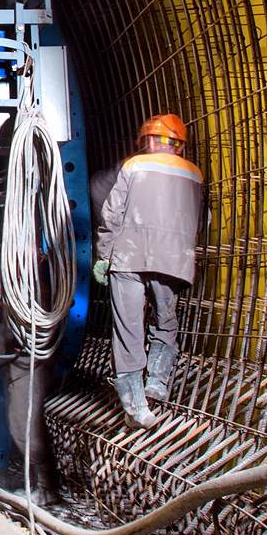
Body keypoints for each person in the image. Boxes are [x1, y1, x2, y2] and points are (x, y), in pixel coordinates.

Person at [94, 115, 203, 425]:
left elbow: (112, 214)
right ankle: (157, 382)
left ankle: (136, 404)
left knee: (128, 328)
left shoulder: (133, 166)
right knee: (165, 322)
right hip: (173, 260)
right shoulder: (195, 174)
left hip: (128, 256)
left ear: (146, 141)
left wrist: (104, 256)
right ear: (179, 145)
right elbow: (199, 221)